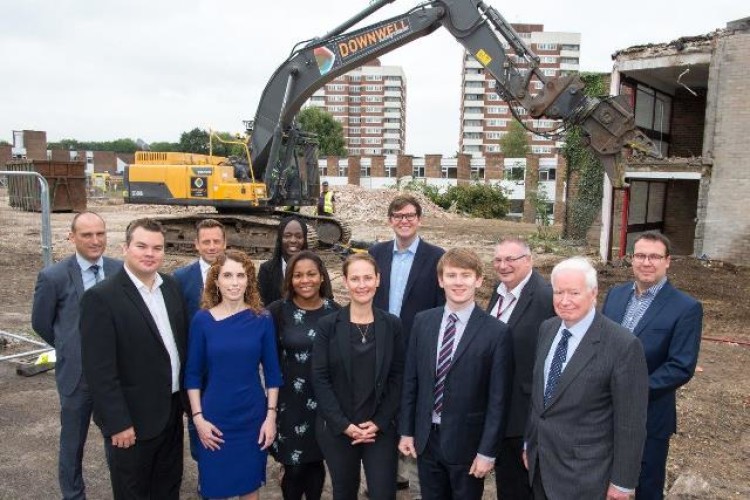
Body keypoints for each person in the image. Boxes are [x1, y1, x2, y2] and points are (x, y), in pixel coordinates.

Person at [80, 218, 188, 499]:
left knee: (168, 489)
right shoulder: (102, 298)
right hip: (132, 423)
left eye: (157, 248)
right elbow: (99, 371)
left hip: (171, 414)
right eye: (142, 246)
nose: (150, 254)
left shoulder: (171, 287)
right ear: (125, 248)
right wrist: (117, 423)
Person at [524, 257, 649, 500]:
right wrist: (529, 443)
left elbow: (631, 422)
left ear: (593, 294)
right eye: (559, 292)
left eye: (574, 293)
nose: (565, 300)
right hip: (541, 465)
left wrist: (622, 483)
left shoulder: (622, 345)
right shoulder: (547, 329)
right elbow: (540, 397)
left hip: (587, 477)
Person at [399, 248, 513, 500]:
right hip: (426, 440)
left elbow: (498, 400)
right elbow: (411, 380)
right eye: (451, 275)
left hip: (468, 445)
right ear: (440, 280)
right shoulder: (423, 322)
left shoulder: (496, 332)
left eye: (466, 275)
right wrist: (407, 430)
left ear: (479, 280)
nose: (458, 282)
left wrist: (487, 452)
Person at [602, 232, 703, 500]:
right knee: (602, 482)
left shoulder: (686, 308)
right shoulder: (615, 295)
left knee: (645, 487)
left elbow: (680, 366)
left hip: (650, 415)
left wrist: (630, 390)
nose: (647, 262)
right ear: (632, 259)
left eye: (655, 257)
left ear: (668, 261)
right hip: (604, 412)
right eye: (640, 255)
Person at [31, 211, 122, 500]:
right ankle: (73, 495)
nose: (95, 241)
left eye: (100, 234)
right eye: (87, 235)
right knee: (73, 443)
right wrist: (69, 346)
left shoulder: (121, 270)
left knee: (120, 440)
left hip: (115, 375)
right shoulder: (53, 277)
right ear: (72, 237)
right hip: (77, 376)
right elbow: (41, 323)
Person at [185, 249, 283, 500]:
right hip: (214, 419)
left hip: (252, 418)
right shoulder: (202, 320)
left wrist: (270, 418)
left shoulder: (262, 319)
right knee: (214, 489)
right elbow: (193, 375)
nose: (234, 282)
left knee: (250, 487)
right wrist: (198, 419)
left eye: (241, 275)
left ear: (249, 280)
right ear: (215, 280)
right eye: (227, 275)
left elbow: (273, 374)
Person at [369, 194, 445, 496]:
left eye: (410, 215)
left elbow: (441, 306)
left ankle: (417, 478)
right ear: (390, 220)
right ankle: (387, 475)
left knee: (414, 407)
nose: (404, 220)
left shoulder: (436, 256)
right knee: (383, 404)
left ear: (419, 219)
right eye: (398, 216)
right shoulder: (376, 253)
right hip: (382, 346)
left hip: (419, 347)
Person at [312, 253, 405, 500]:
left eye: (367, 278)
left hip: (379, 428)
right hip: (339, 428)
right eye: (355, 278)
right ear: (345, 281)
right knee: (344, 492)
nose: (362, 284)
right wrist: (344, 425)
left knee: (383, 493)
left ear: (378, 280)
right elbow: (320, 378)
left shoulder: (392, 325)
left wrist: (380, 421)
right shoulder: (328, 326)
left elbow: (398, 377)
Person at [267, 250, 340, 500]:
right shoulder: (277, 311)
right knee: (295, 468)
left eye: (311, 274)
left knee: (315, 464)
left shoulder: (336, 312)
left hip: (324, 403)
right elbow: (266, 357)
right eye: (297, 275)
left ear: (322, 277)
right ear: (289, 280)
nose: (304, 280)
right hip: (289, 403)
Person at [486, 238, 555, 499]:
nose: (503, 266)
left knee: (527, 487)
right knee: (508, 484)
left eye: (510, 260)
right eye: (498, 260)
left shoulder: (546, 297)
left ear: (529, 261)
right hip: (499, 407)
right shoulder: (499, 291)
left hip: (525, 412)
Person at [174, 218, 227, 321]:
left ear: (224, 243)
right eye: (206, 242)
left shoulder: (240, 275)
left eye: (216, 241)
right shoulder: (181, 278)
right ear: (197, 244)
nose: (212, 247)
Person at [258, 216, 310, 306]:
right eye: (287, 236)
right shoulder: (266, 270)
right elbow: (260, 304)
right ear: (280, 239)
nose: (293, 240)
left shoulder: (316, 268)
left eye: (298, 236)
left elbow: (326, 300)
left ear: (304, 239)